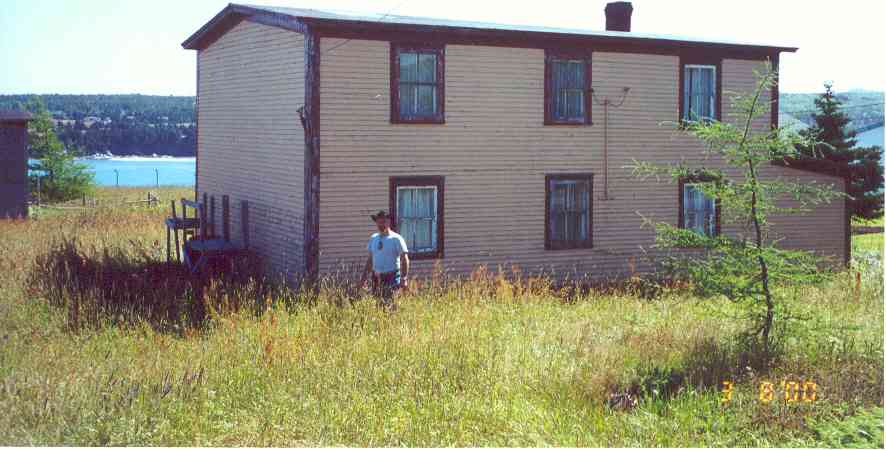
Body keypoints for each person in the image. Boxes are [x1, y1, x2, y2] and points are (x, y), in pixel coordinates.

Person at [360, 210, 409, 310]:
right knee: (378, 303)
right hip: (376, 276)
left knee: (390, 303)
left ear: (388, 222)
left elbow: (405, 259)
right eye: (378, 222)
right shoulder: (373, 238)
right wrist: (363, 278)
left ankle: (393, 319)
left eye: (383, 222)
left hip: (391, 276)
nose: (380, 224)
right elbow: (370, 260)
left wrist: (404, 278)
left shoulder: (396, 238)